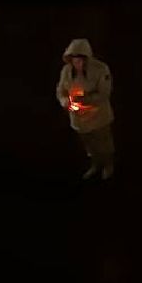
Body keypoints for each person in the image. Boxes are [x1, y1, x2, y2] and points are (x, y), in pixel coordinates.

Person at [54, 38, 115, 181]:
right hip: (79, 119)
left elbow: (104, 93)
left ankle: (108, 165)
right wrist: (65, 102)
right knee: (89, 144)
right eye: (74, 61)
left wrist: (85, 99)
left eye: (81, 60)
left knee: (104, 143)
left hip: (98, 117)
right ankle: (95, 164)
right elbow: (60, 90)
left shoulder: (101, 70)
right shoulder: (66, 71)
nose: (77, 64)